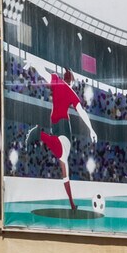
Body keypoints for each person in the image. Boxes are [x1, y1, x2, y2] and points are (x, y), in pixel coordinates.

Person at [27, 70, 98, 212]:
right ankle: (40, 135)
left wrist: (34, 64)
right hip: (64, 125)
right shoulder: (71, 91)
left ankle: (71, 203)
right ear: (71, 81)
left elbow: (44, 74)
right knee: (63, 156)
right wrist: (91, 129)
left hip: (53, 122)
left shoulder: (57, 81)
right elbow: (81, 112)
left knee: (64, 167)